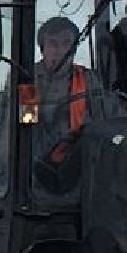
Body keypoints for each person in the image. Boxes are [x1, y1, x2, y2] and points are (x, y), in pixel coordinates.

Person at [33, 15, 91, 174]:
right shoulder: (28, 80)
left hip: (81, 165)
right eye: (53, 44)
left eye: (66, 43)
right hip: (38, 168)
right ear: (42, 48)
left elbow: (108, 119)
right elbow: (27, 126)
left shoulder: (88, 79)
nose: (61, 51)